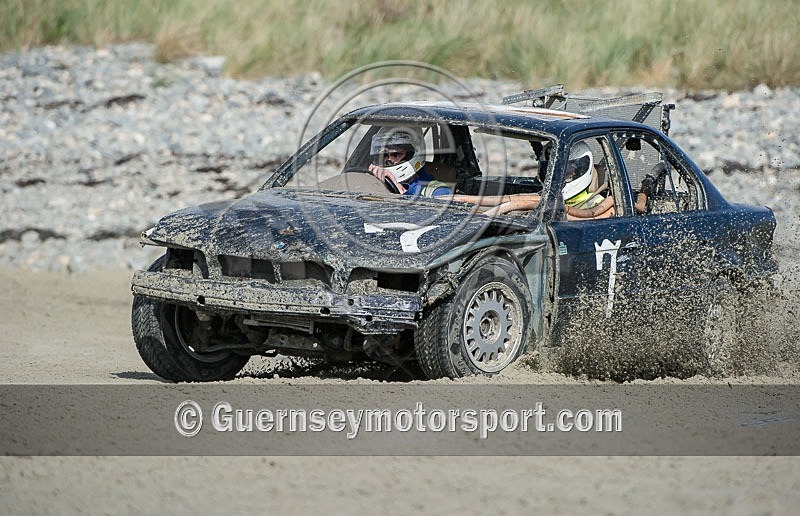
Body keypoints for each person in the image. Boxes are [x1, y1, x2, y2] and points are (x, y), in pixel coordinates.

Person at [368, 126, 452, 197]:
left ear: (413, 154)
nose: (389, 160)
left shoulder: (438, 190)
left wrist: (400, 191)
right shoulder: (374, 181)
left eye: (396, 155)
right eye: (384, 155)